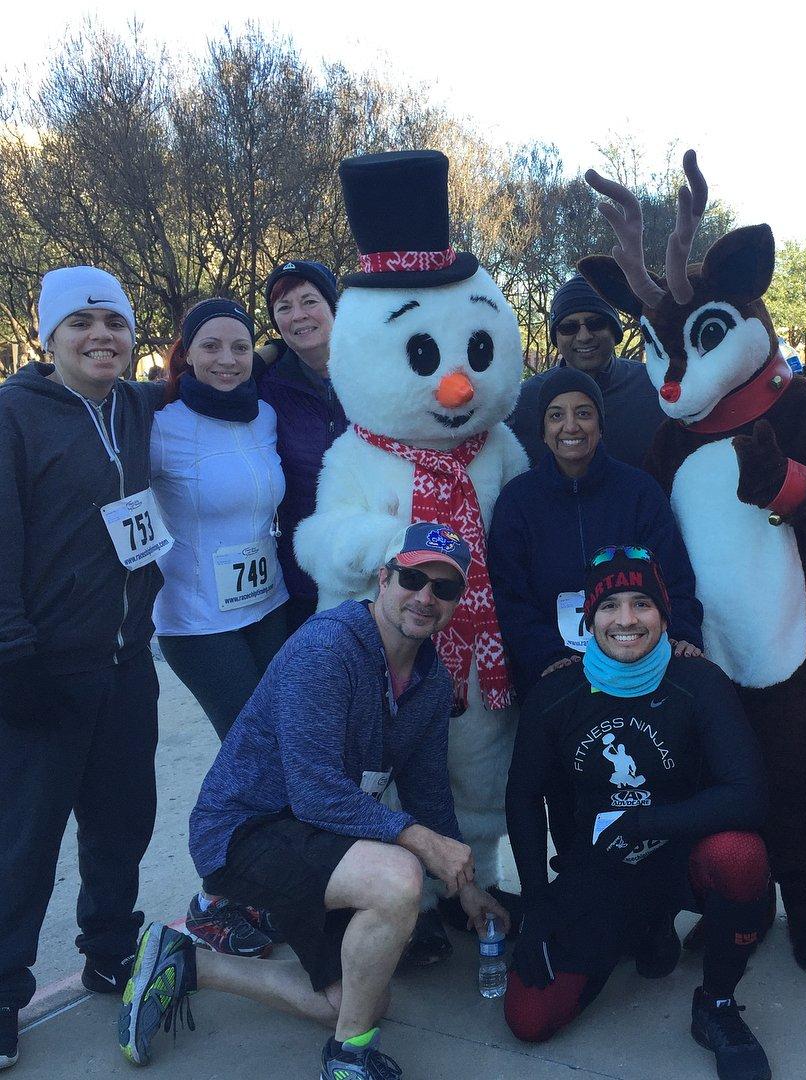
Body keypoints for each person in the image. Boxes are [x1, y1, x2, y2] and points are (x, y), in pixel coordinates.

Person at [118, 522, 508, 1080]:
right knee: (398, 877)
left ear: (455, 603)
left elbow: (428, 796)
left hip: (319, 836)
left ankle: (187, 964)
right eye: (413, 578)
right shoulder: (328, 648)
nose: (425, 597)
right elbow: (315, 792)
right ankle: (348, 1059)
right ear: (384, 578)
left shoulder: (431, 682)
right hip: (245, 832)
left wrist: (467, 887)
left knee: (357, 1003)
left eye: (443, 589)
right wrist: (421, 845)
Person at [504, 547, 771, 1080]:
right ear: (589, 618)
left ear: (664, 614)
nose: (626, 620)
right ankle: (643, 931)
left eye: (642, 603)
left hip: (681, 861)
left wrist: (641, 822)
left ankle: (716, 1003)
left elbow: (748, 796)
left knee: (740, 855)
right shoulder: (558, 691)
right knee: (528, 1020)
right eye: (610, 606)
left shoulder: (699, 682)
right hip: (597, 873)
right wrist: (535, 906)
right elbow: (523, 798)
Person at [0, 267, 167, 1071]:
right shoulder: (12, 416)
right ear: (49, 336)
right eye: (82, 323)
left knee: (121, 820)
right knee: (24, 842)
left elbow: (222, 372)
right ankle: (2, 991)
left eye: (115, 323)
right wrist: (11, 653)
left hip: (127, 660)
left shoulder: (135, 406)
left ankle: (109, 946)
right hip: (45, 668)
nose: (102, 335)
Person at [151, 298, 290, 957]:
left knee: (289, 749)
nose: (227, 359)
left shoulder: (265, 413)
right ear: (187, 353)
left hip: (268, 607)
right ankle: (213, 900)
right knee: (251, 755)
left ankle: (264, 890)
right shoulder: (159, 420)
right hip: (197, 621)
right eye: (211, 346)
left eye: (239, 346)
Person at [490, 367, 703, 700]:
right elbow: (509, 595)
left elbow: (673, 574)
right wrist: (546, 655)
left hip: (638, 660)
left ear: (600, 426)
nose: (571, 426)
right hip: (551, 670)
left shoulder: (639, 491)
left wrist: (683, 634)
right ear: (543, 431)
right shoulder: (517, 501)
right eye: (556, 415)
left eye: (584, 413)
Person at [258, 260, 346, 634]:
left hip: (377, 565)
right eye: (284, 307)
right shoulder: (264, 387)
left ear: (333, 306)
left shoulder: (379, 372)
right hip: (300, 578)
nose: (299, 316)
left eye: (309, 301)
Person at [507, 275, 667, 469]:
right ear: (556, 337)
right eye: (569, 327)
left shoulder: (654, 386)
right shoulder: (524, 401)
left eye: (596, 323)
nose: (584, 336)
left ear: (614, 330)